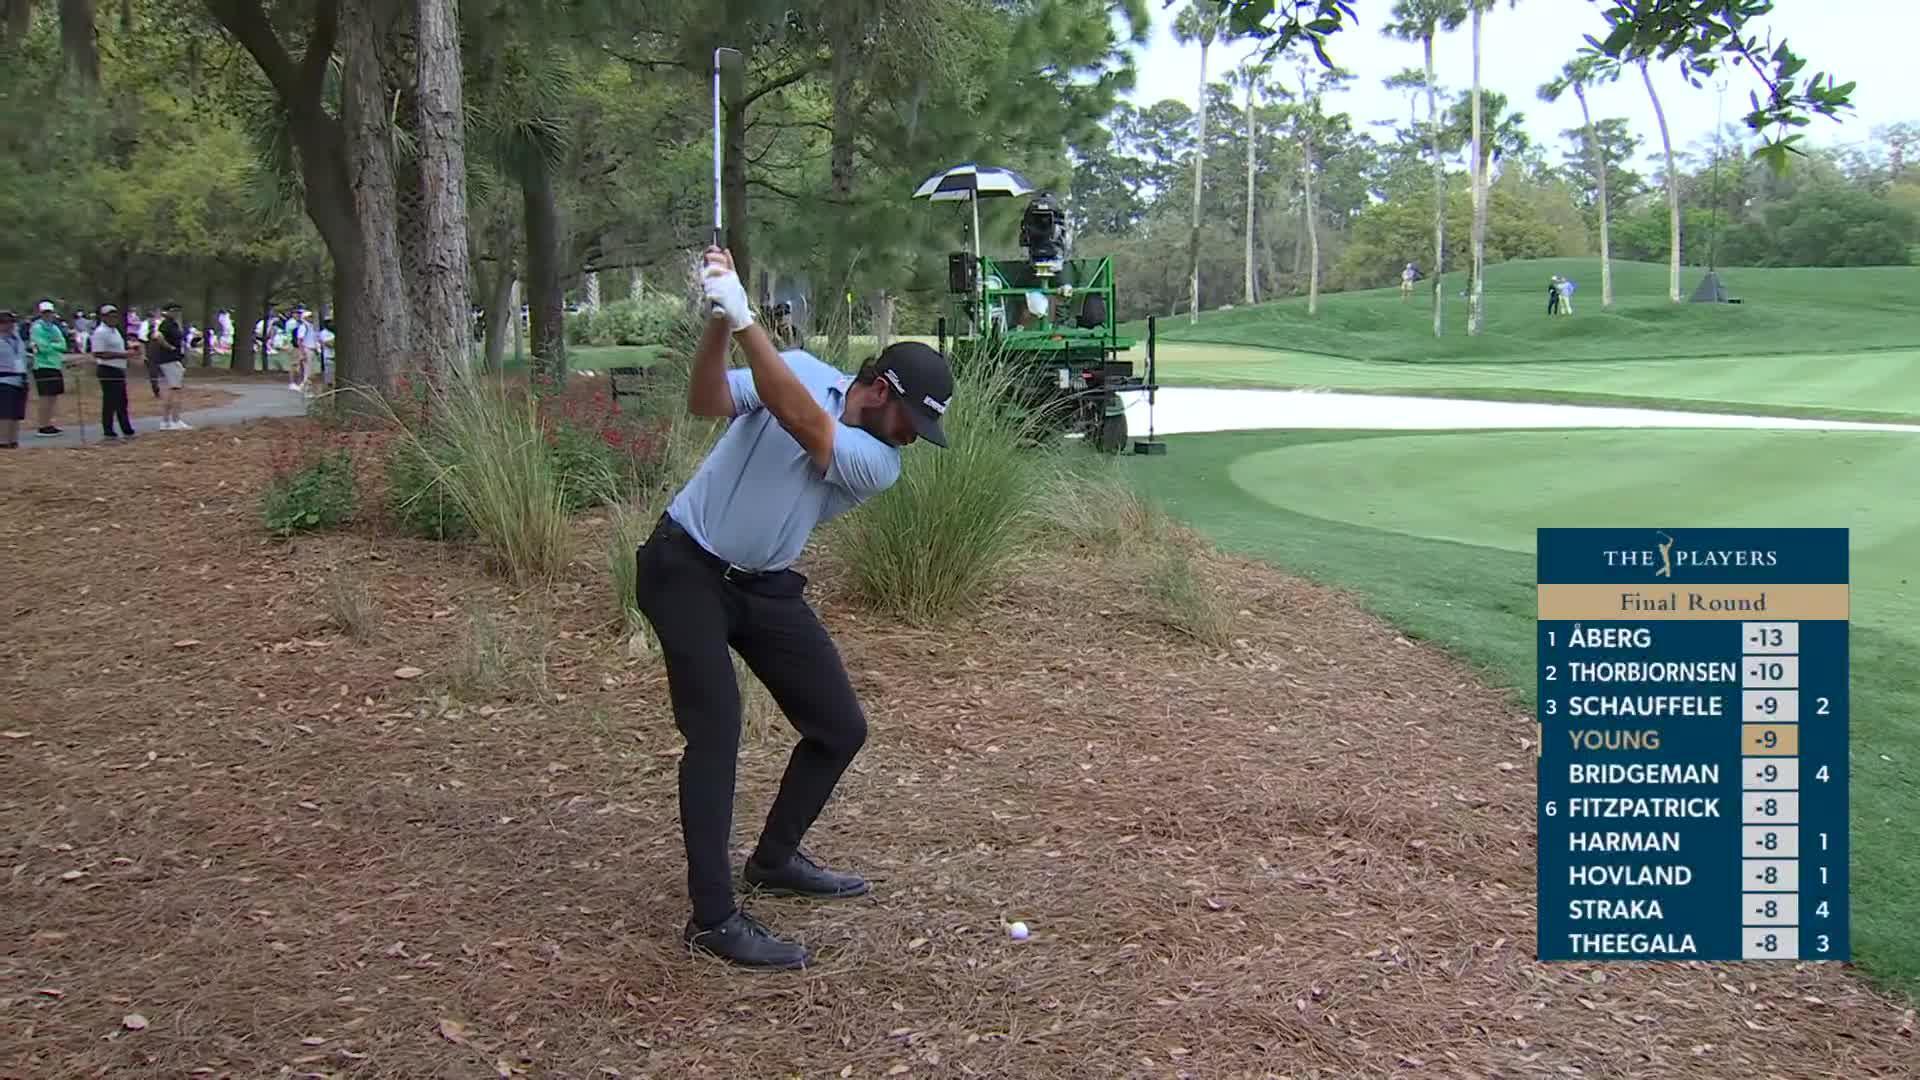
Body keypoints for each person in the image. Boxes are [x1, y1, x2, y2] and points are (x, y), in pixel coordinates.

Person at [635, 246, 953, 971]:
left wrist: (748, 318)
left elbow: (804, 423)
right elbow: (710, 401)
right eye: (910, 420)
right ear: (877, 388)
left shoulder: (879, 463)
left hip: (765, 584)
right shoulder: (805, 370)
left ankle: (774, 859)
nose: (912, 439)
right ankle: (713, 920)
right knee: (715, 733)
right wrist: (720, 319)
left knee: (839, 728)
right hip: (683, 564)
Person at [90, 303, 136, 440]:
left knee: (122, 400)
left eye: (115, 316)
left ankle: (126, 428)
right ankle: (108, 430)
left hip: (118, 368)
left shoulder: (115, 330)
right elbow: (98, 353)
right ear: (103, 317)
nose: (113, 319)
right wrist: (123, 355)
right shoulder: (100, 332)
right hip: (107, 369)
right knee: (110, 401)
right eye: (109, 316)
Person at [28, 301, 68, 436]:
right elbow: (41, 347)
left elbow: (63, 345)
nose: (48, 315)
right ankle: (42, 425)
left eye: (49, 312)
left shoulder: (55, 328)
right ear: (40, 313)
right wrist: (53, 345)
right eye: (45, 312)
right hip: (42, 365)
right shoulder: (36, 327)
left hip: (55, 364)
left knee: (53, 396)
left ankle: (48, 423)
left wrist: (52, 345)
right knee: (45, 396)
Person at [153, 302, 191, 430]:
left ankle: (167, 420)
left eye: (178, 310)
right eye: (174, 310)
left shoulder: (173, 324)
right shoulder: (166, 323)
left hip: (173, 359)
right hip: (169, 359)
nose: (176, 313)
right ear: (166, 311)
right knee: (175, 389)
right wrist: (170, 347)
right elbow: (158, 336)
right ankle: (174, 420)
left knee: (173, 389)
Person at [0, 310, 27, 449]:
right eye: (3, 322)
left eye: (10, 322)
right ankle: (3, 440)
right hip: (3, 380)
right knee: (5, 412)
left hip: (20, 377)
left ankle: (13, 439)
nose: (7, 325)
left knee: (16, 413)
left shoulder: (17, 339)